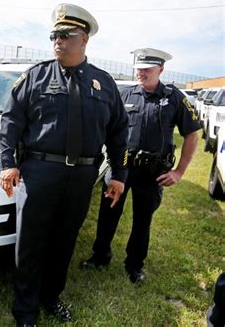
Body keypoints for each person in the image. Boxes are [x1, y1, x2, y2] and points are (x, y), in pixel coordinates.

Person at [0, 3, 129, 326]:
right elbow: (10, 121)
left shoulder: (104, 84)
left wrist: (118, 174)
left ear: (84, 39)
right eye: (54, 35)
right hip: (40, 172)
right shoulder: (35, 77)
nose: (58, 41)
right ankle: (25, 310)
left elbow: (119, 132)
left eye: (66, 35)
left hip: (82, 175)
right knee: (30, 242)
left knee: (65, 240)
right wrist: (7, 163)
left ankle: (51, 296)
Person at [81, 48, 201, 283]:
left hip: (152, 172)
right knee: (108, 213)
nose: (141, 73)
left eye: (147, 69)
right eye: (138, 69)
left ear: (161, 69)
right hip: (122, 167)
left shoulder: (174, 98)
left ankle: (134, 264)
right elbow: (107, 129)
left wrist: (179, 172)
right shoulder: (124, 95)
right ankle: (100, 256)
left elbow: (193, 134)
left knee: (142, 219)